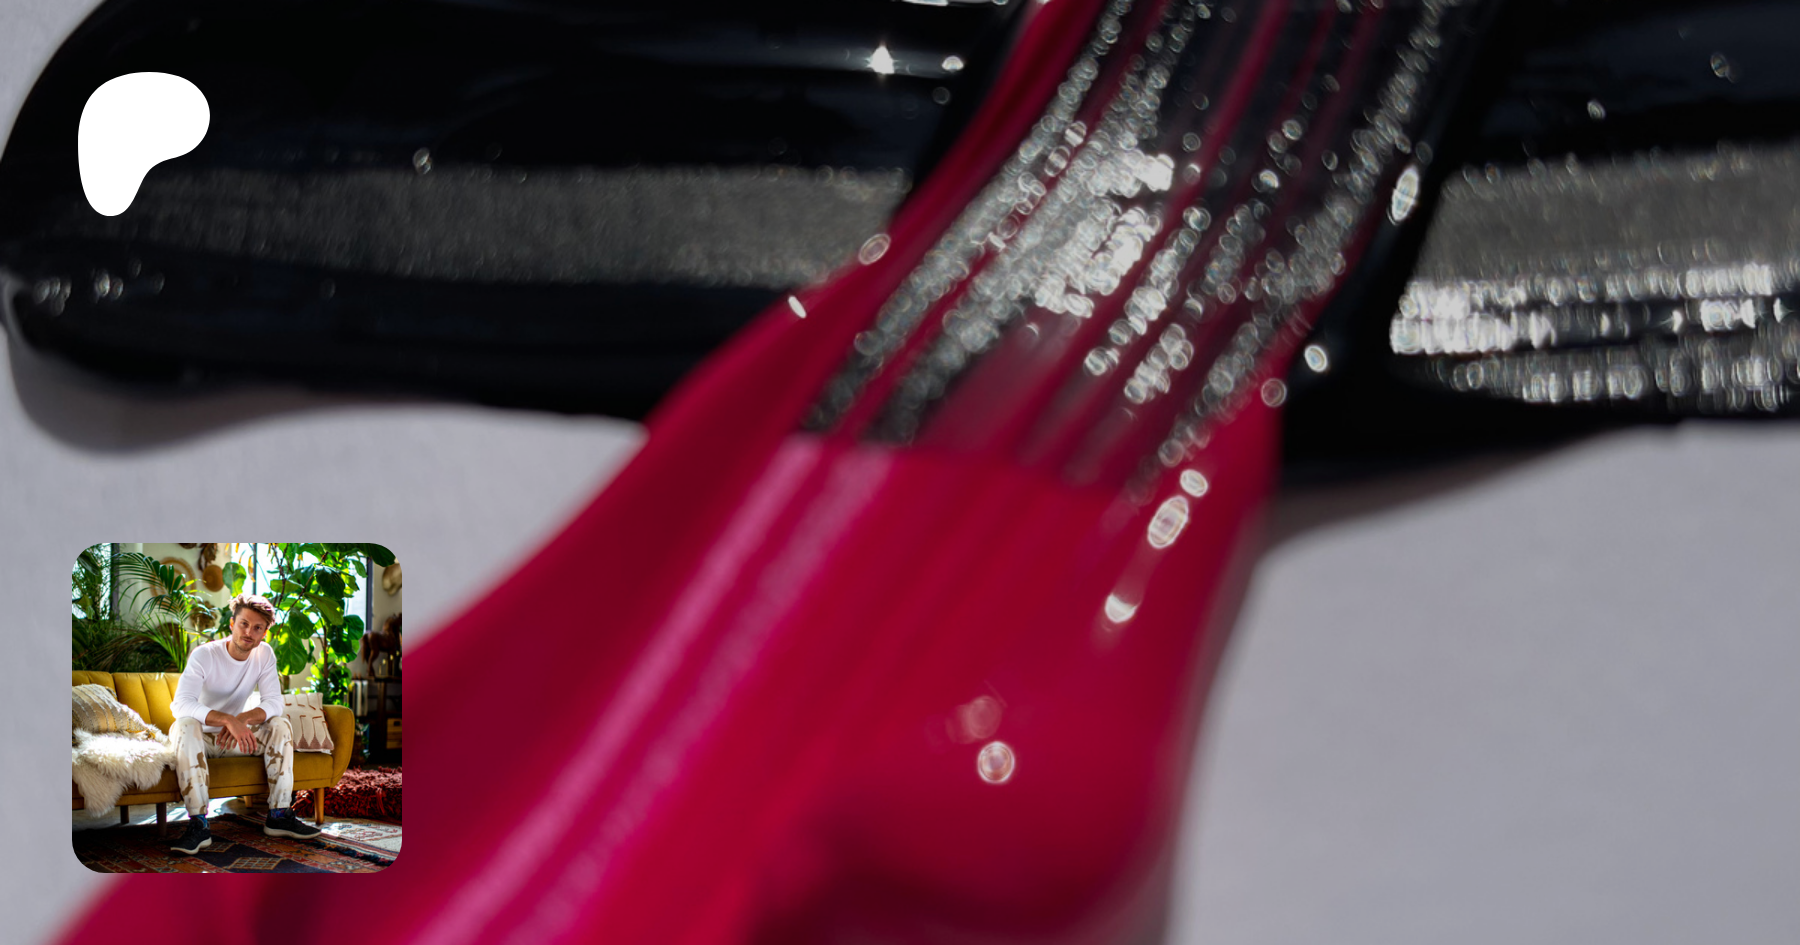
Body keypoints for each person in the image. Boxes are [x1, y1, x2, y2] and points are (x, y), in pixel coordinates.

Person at [166, 592, 322, 854]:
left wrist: (243, 718)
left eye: (257, 628)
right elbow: (180, 704)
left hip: (233, 740)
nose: (249, 632)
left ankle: (279, 815)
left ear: (264, 633)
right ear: (232, 624)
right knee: (184, 724)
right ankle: (198, 824)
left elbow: (274, 702)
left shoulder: (264, 655)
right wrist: (227, 719)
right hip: (199, 740)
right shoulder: (205, 655)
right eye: (244, 624)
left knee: (280, 724)